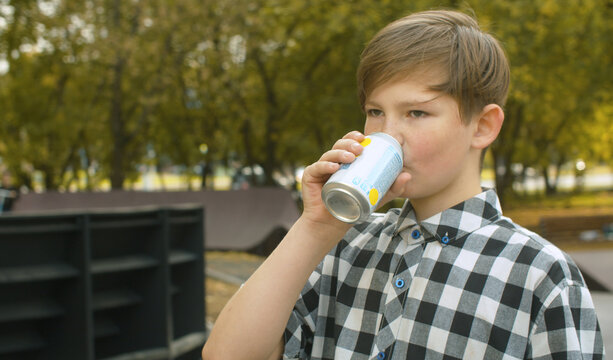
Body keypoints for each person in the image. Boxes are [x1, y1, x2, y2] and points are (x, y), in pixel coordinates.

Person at [202, 9, 604, 360]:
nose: (388, 134)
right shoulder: (343, 247)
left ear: (482, 126)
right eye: (375, 111)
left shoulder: (538, 274)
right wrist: (315, 227)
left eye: (416, 112)